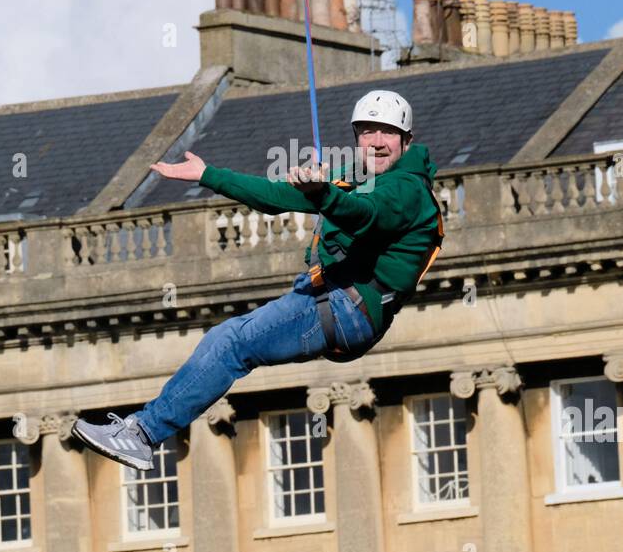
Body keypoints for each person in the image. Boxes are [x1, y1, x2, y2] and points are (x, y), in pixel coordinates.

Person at [72, 89, 442, 470]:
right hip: (332, 298)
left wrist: (324, 194)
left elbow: (366, 215)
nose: (377, 142)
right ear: (356, 138)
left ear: (406, 141)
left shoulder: (406, 189)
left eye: (387, 133)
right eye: (368, 132)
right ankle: (141, 431)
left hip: (347, 308)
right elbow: (276, 197)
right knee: (227, 338)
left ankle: (142, 434)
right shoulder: (364, 180)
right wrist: (207, 175)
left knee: (231, 342)